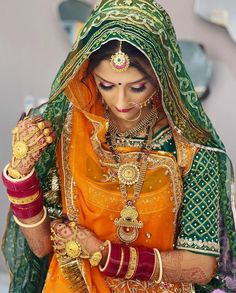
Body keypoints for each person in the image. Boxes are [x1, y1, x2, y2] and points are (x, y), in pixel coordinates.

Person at [2, 0, 236, 292]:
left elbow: (201, 268)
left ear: (163, 78)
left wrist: (104, 254)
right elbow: (42, 247)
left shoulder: (193, 151)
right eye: (106, 85)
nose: (121, 102)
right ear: (89, 76)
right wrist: (20, 176)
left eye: (137, 87)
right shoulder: (67, 129)